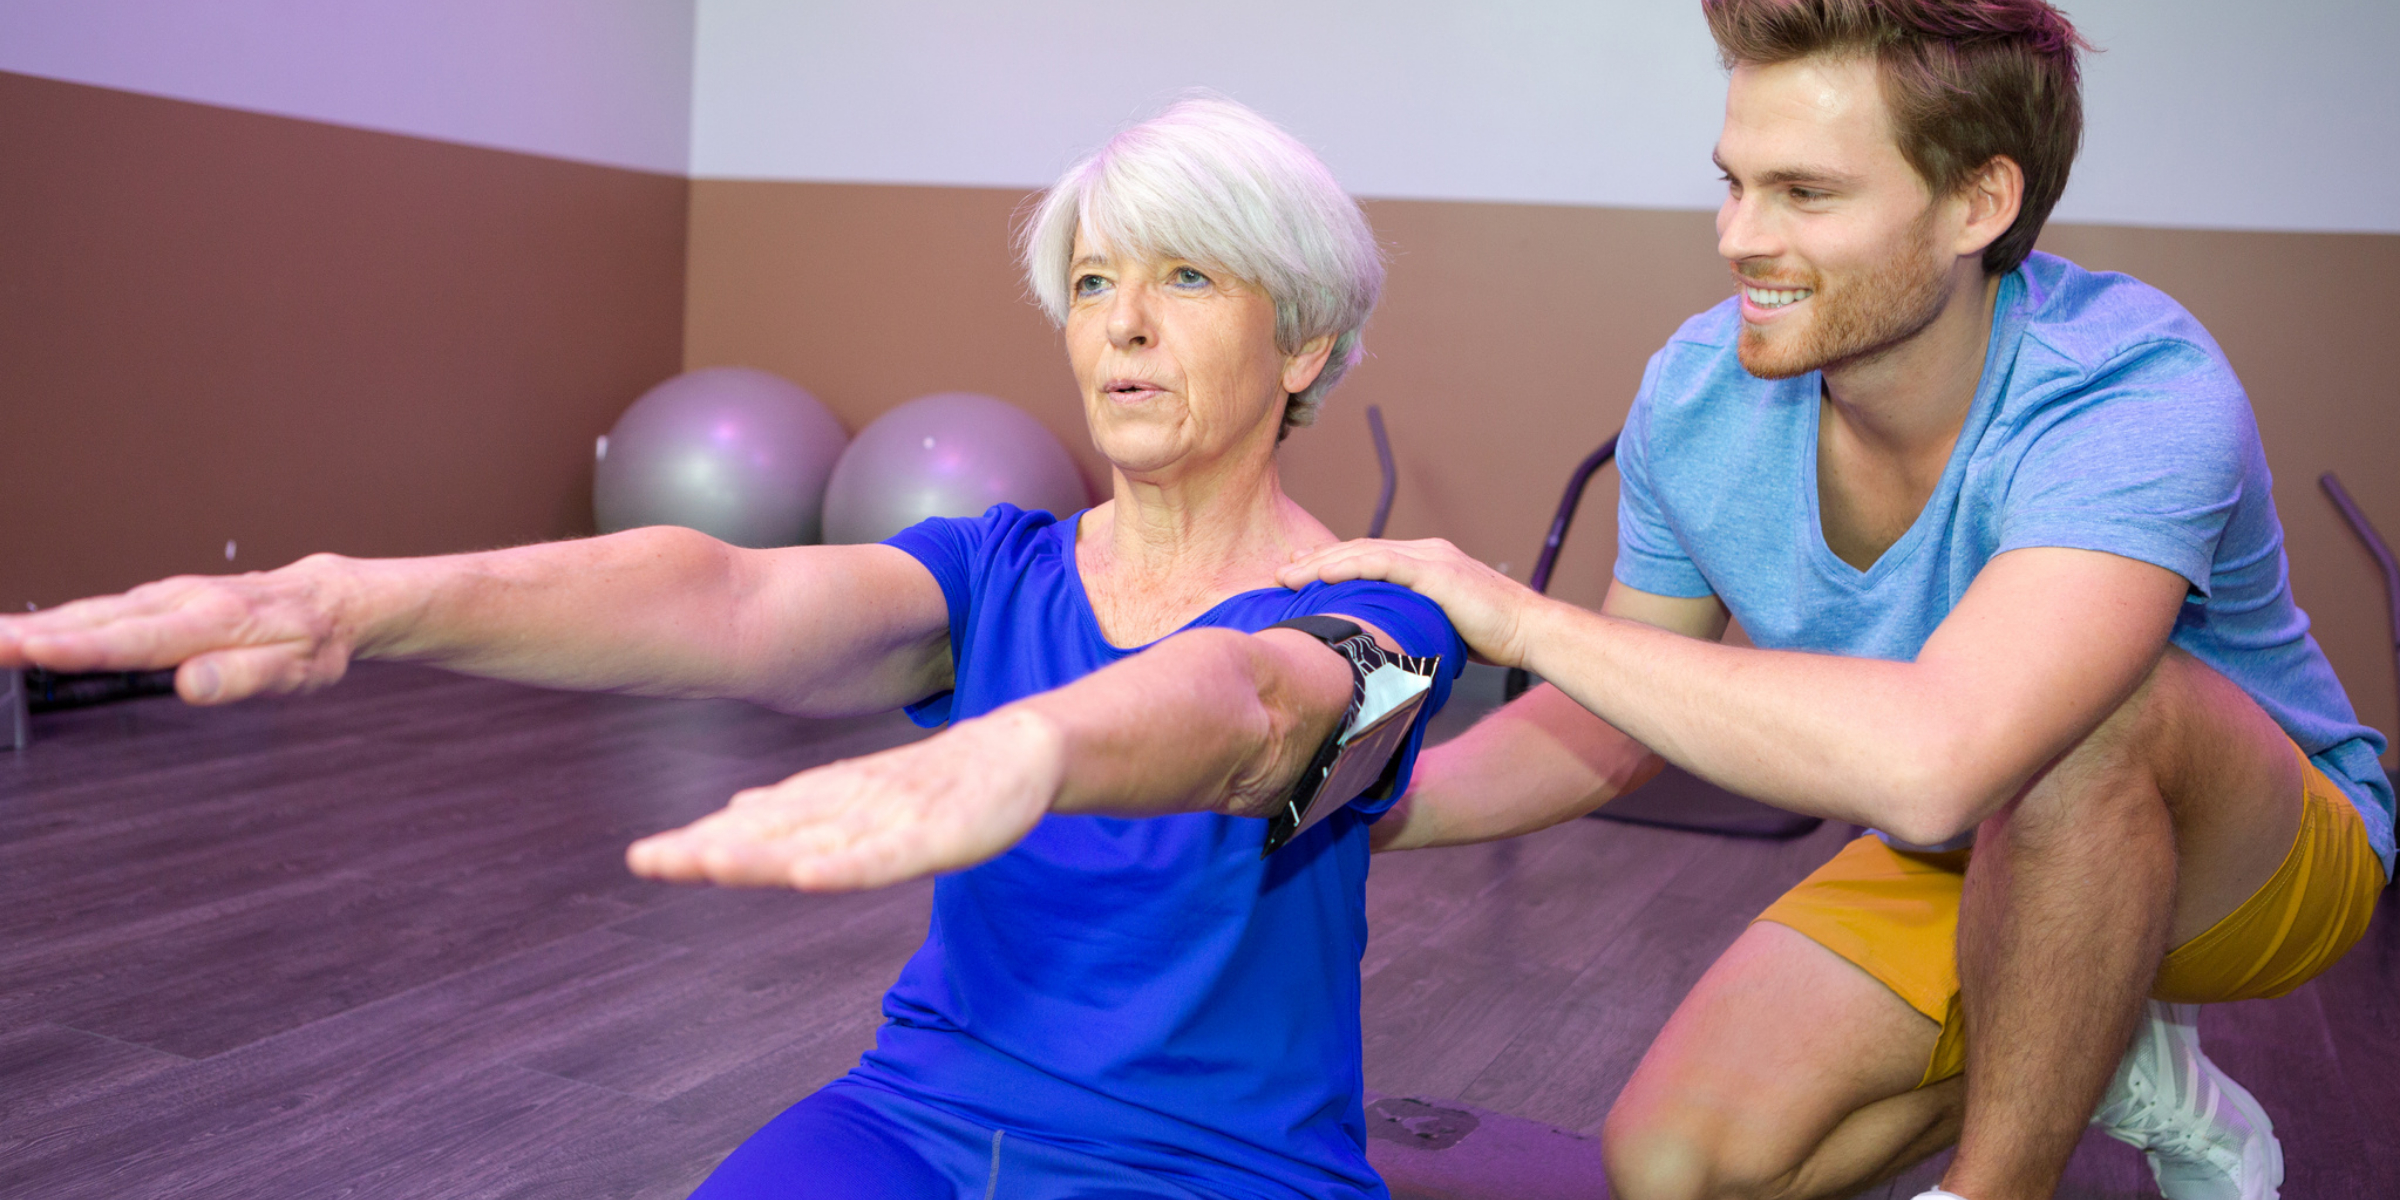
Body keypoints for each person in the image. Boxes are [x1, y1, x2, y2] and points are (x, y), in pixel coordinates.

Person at [0, 98, 1463, 1200]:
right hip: (923, 1119)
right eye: (1093, 284)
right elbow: (725, 598)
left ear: (1306, 343)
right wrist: (346, 599)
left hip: (1214, 1165)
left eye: (1188, 280)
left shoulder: (1385, 614)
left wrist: (1038, 743)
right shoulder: (991, 568)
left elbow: (1257, 709)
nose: (1123, 327)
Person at [1282, 3, 2391, 1200]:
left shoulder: (2130, 390)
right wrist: (1362, 803)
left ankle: (1999, 1183)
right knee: (1672, 1170)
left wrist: (1529, 618)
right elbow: (1611, 716)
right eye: (1734, 182)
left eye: (1805, 194)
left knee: (2092, 719)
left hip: (2259, 855)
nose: (1738, 236)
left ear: (1979, 202)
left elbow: (1940, 759)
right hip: (1973, 849)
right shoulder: (1701, 395)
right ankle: (2102, 1038)